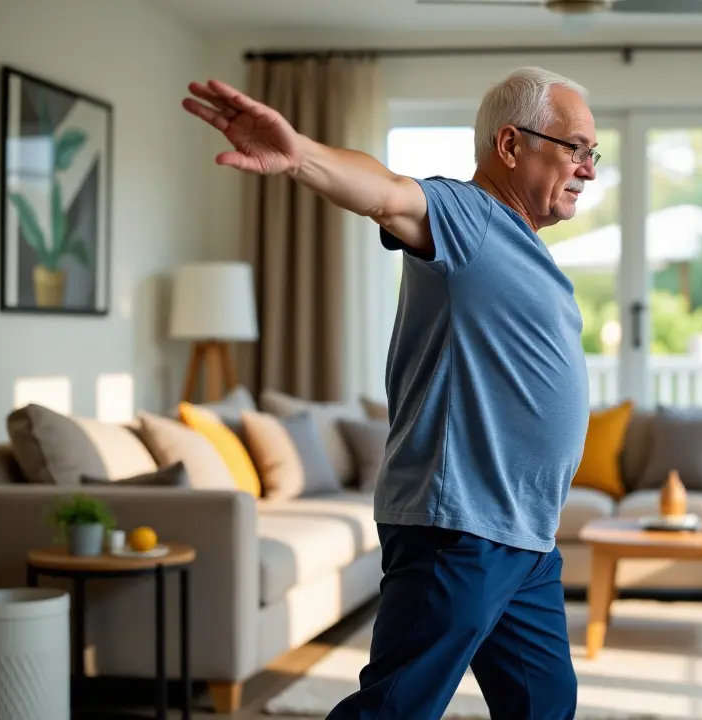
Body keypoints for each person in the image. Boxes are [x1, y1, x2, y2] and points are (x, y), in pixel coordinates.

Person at [181, 66, 597, 719]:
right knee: (397, 707)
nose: (589, 169)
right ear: (511, 145)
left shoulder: (525, 248)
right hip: (458, 526)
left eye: (592, 153)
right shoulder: (472, 217)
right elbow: (389, 193)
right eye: (575, 148)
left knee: (545, 705)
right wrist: (302, 157)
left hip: (525, 536)